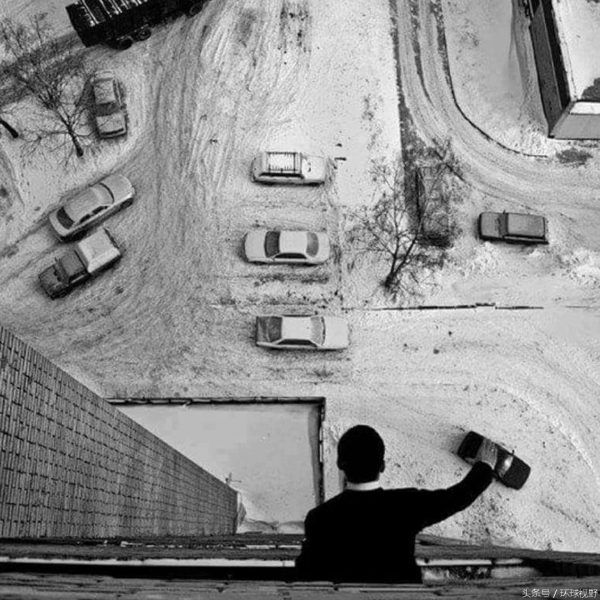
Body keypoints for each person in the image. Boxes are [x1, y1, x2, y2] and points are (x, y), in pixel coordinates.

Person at [296, 424, 498, 583]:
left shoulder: (319, 517)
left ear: (340, 464)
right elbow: (456, 497)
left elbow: (306, 573)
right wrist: (485, 466)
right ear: (383, 466)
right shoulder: (406, 505)